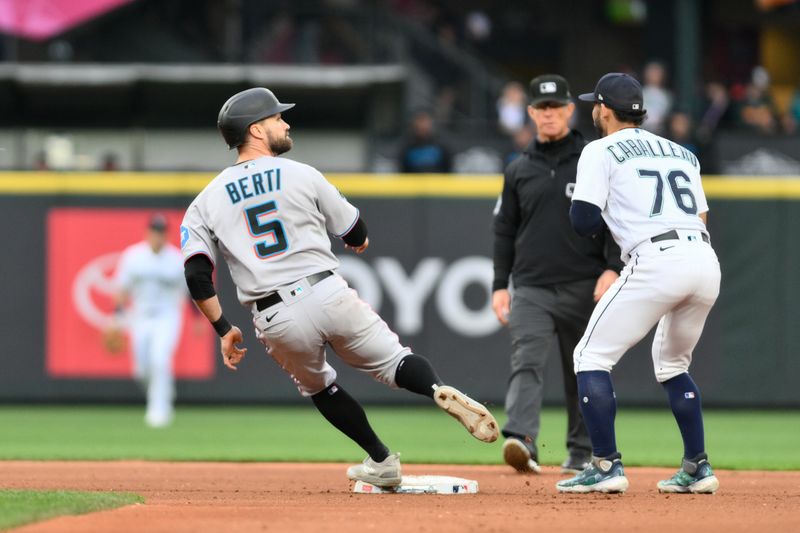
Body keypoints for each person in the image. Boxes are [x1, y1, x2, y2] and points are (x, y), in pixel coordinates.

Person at [180, 87, 498, 488]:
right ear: (257, 130)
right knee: (396, 362)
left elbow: (196, 275)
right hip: (327, 291)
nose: (286, 122)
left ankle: (381, 459)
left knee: (320, 387)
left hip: (275, 314)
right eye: (278, 118)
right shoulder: (301, 173)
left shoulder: (204, 201)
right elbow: (354, 229)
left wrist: (224, 329)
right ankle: (434, 388)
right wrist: (357, 241)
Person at [558, 73, 721, 494]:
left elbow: (582, 222)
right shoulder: (683, 153)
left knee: (590, 356)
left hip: (656, 259)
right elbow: (701, 218)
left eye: (595, 104)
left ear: (605, 110)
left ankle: (605, 464)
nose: (592, 109)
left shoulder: (599, 149)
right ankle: (697, 467)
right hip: (704, 258)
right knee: (673, 366)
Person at [492, 74, 623, 476]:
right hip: (531, 285)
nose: (549, 114)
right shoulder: (518, 169)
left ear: (569, 110)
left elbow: (616, 218)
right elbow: (504, 229)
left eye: (556, 107)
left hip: (585, 282)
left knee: (581, 368)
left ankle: (582, 450)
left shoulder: (593, 156)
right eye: (541, 108)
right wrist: (500, 284)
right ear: (530, 113)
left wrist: (612, 267)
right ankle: (523, 440)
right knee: (526, 360)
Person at [108, 214, 186, 428]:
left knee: (160, 359)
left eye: (161, 232)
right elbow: (122, 288)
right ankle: (163, 392)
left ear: (166, 234)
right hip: (140, 316)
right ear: (147, 233)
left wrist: (199, 318)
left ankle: (159, 410)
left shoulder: (177, 259)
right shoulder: (133, 256)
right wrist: (116, 315)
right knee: (141, 369)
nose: (157, 236)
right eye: (154, 231)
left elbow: (190, 291)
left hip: (167, 315)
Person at [399, 109, 452, 173]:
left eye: (425, 122)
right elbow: (402, 171)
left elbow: (449, 170)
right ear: (414, 124)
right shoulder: (407, 147)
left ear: (431, 124)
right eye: (420, 121)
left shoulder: (441, 146)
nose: (422, 126)